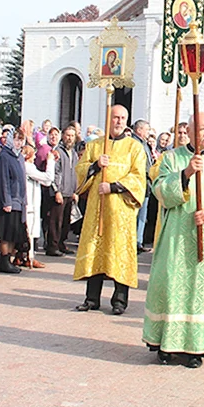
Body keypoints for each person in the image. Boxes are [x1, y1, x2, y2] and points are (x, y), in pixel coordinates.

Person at [143, 112, 204, 367]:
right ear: (188, 130)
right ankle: (166, 343)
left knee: (203, 290)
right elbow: (159, 191)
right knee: (171, 285)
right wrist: (185, 174)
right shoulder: (173, 158)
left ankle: (197, 347)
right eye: (201, 129)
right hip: (177, 235)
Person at [73, 105, 148, 315]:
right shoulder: (96, 145)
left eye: (123, 118)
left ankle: (119, 301)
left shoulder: (134, 147)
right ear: (108, 119)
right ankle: (91, 298)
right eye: (115, 117)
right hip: (97, 210)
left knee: (119, 254)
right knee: (95, 250)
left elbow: (139, 177)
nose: (119, 121)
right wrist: (96, 166)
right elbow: (80, 171)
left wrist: (114, 187)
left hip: (121, 211)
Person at [0, 128, 28, 274]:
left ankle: (9, 259)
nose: (18, 143)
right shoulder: (5, 156)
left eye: (21, 140)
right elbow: (3, 180)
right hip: (9, 201)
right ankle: (4, 260)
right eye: (16, 139)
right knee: (6, 233)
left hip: (19, 201)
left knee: (14, 233)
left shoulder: (19, 157)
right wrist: (6, 201)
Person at [47, 124, 79, 256]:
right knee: (56, 221)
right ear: (63, 136)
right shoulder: (58, 152)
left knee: (66, 221)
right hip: (60, 191)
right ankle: (52, 246)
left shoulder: (75, 154)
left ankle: (61, 243)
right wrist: (57, 191)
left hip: (69, 191)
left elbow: (76, 172)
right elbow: (55, 173)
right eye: (67, 135)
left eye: (72, 136)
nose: (70, 138)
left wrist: (75, 191)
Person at [22, 144, 55, 268]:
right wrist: (50, 162)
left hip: (33, 203)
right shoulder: (27, 167)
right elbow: (47, 179)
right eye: (33, 154)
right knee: (28, 232)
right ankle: (29, 257)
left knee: (31, 231)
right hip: (29, 204)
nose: (35, 156)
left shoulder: (30, 167)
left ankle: (25, 256)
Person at [132, 119, 154, 253]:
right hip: (139, 182)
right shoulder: (135, 143)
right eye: (146, 130)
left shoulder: (144, 143)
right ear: (139, 130)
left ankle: (138, 241)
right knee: (137, 214)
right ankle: (134, 241)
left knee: (142, 215)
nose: (148, 133)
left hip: (146, 183)